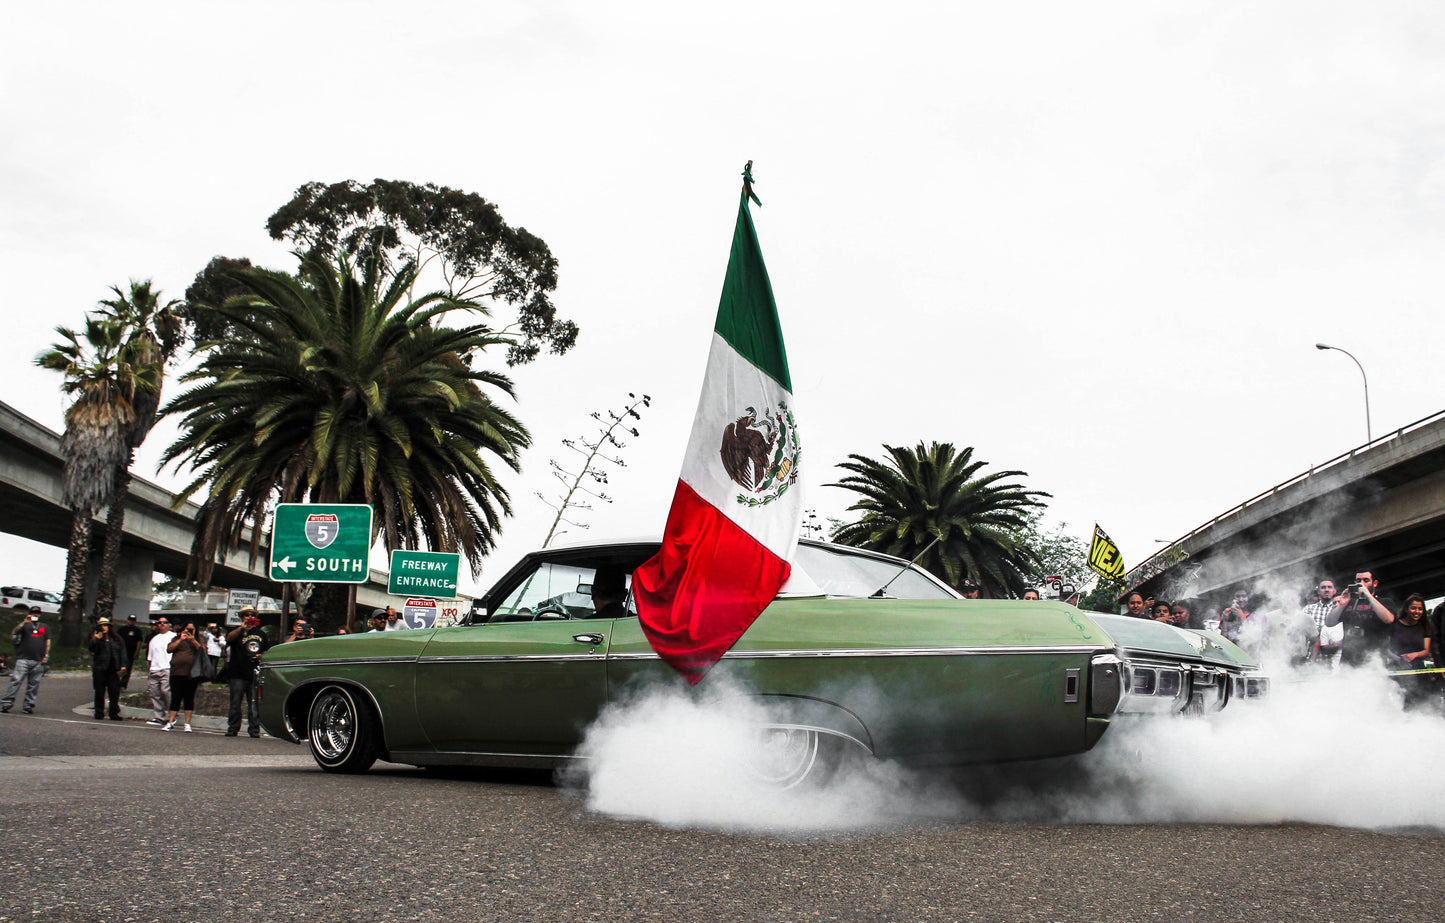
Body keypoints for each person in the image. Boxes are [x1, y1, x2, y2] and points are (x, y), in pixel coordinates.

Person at [1325, 569, 1396, 667]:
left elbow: (1389, 619)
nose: (1361, 584)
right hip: (1348, 660)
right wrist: (1342, 605)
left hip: (1374, 659)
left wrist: (1368, 595)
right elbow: (1329, 623)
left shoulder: (1384, 601)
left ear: (1374, 583)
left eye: (1366, 580)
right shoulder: (1349, 602)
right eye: (1358, 581)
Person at [225, 606, 270, 738]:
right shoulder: (236, 631)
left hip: (254, 672)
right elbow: (229, 639)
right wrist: (241, 628)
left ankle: (254, 730)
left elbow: (266, 649)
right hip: (237, 673)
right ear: (242, 617)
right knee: (235, 703)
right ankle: (233, 728)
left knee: (254, 702)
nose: (249, 617)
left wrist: (262, 656)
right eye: (246, 615)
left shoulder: (261, 633)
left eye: (252, 615)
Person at [1, 612, 51, 714]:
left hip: (38, 659)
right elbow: (14, 632)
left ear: (39, 615)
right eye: (33, 614)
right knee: (16, 681)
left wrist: (46, 655)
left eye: (37, 614)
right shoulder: (24, 625)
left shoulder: (44, 627)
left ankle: (28, 705)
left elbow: (47, 641)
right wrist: (24, 622)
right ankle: (6, 704)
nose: (34, 616)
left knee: (34, 684)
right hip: (23, 659)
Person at [162, 622, 203, 732]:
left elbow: (202, 650)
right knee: (175, 697)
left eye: (191, 629)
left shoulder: (197, 640)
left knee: (189, 698)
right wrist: (181, 639)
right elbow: (169, 649)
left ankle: (187, 723)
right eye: (187, 629)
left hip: (191, 674)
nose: (189, 631)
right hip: (176, 672)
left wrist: (192, 639)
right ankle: (170, 721)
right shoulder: (176, 638)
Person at [88, 617, 127, 720]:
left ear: (109, 627)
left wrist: (123, 665)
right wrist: (96, 639)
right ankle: (99, 712)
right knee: (99, 691)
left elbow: (122, 652)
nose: (103, 627)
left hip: (113, 669)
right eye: (101, 626)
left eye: (105, 625)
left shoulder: (116, 639)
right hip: (100, 668)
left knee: (114, 692)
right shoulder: (96, 638)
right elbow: (92, 649)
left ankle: (114, 712)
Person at [1302, 578, 1343, 669]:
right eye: (1323, 587)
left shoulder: (1339, 610)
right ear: (1318, 591)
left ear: (1334, 591)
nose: (1327, 590)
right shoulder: (1308, 609)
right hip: (1310, 659)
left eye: (1329, 587)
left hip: (1333, 660)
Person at [144, 617, 176, 725]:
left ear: (168, 625)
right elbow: (150, 657)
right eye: (159, 623)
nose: (161, 624)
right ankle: (159, 717)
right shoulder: (154, 639)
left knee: (166, 691)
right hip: (154, 668)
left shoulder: (173, 636)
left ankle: (172, 715)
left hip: (167, 667)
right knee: (155, 693)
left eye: (164, 623)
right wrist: (150, 669)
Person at [117, 614, 144, 687]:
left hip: (130, 653)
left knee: (127, 669)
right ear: (127, 620)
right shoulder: (122, 629)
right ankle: (116, 683)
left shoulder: (137, 630)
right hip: (121, 652)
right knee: (119, 668)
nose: (131, 622)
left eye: (133, 620)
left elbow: (139, 642)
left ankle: (123, 684)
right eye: (130, 620)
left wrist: (137, 652)